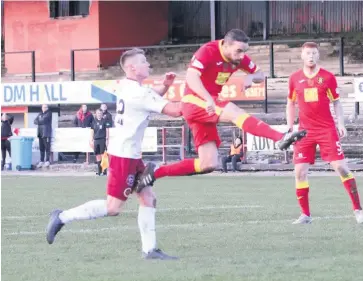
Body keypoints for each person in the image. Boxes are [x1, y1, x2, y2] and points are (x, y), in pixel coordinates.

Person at [46, 48, 184, 260]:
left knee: (148, 197)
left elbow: (149, 97)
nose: (148, 64)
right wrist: (203, 99)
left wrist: (165, 86)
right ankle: (62, 217)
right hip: (124, 156)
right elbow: (175, 110)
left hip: (129, 153)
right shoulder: (139, 92)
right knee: (113, 207)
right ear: (132, 67)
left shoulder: (128, 87)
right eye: (144, 61)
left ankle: (150, 250)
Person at [134, 29, 306, 191]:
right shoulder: (208, 51)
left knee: (207, 163)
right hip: (195, 101)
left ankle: (155, 171)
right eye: (239, 50)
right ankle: (281, 137)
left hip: (206, 107)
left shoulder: (239, 59)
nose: (242, 55)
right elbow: (192, 77)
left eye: (245, 51)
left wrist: (251, 76)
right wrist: (208, 99)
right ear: (226, 45)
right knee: (236, 113)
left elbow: (260, 74)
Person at [286, 42, 363, 224]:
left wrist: (341, 123)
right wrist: (290, 127)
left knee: (341, 168)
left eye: (314, 53)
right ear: (302, 56)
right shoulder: (294, 79)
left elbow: (337, 102)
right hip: (304, 132)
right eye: (307, 53)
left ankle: (358, 210)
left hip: (326, 129)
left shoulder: (328, 77)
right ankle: (305, 215)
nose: (311, 56)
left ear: (318, 55)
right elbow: (290, 103)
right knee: (299, 172)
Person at [90, 108, 111, 175]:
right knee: (97, 155)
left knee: (103, 155)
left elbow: (107, 130)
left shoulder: (104, 121)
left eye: (100, 113)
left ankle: (104, 171)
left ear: (102, 114)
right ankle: (99, 171)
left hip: (102, 139)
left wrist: (107, 139)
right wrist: (91, 139)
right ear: (96, 114)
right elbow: (92, 131)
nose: (99, 114)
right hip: (96, 140)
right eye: (98, 113)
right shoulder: (94, 122)